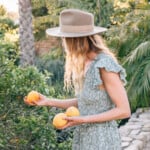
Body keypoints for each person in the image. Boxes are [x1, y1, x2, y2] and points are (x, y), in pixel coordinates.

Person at [25, 9, 131, 150]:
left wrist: (83, 119)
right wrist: (48, 101)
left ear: (74, 40)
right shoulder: (85, 63)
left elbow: (124, 110)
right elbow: (86, 101)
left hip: (103, 140)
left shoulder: (104, 64)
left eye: (64, 37)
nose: (63, 41)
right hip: (84, 137)